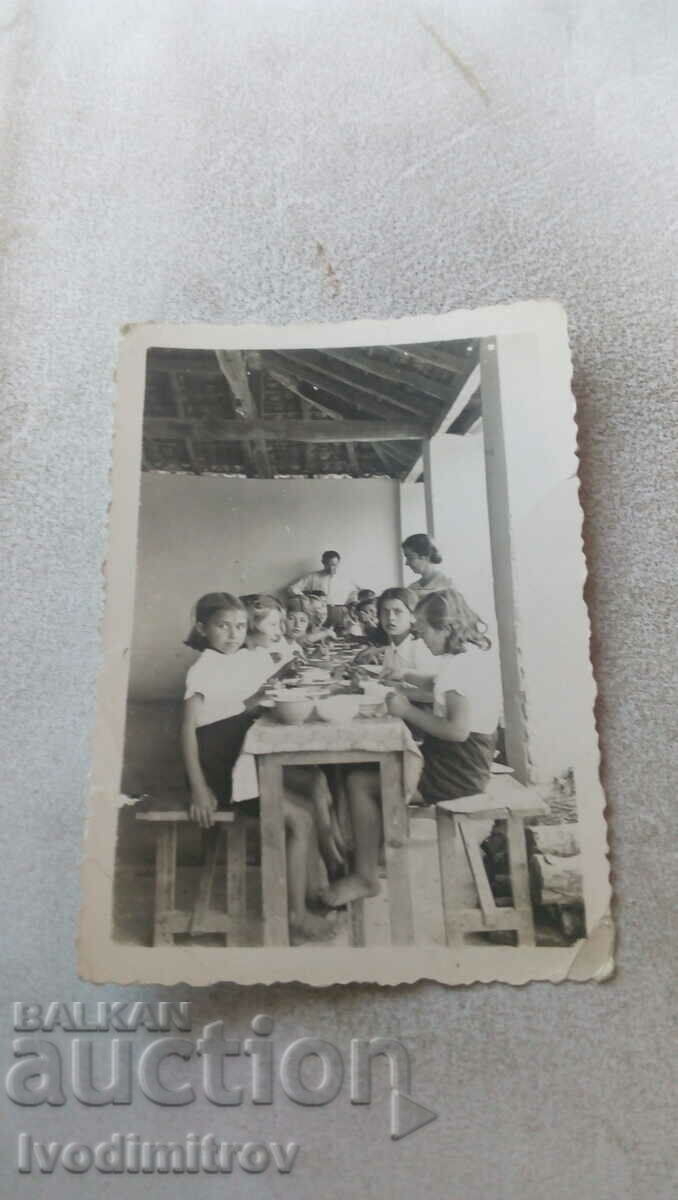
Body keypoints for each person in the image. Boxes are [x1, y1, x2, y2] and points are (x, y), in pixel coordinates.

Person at [323, 588, 501, 907]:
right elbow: (435, 683)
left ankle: (366, 875)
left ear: (445, 628)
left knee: (359, 781)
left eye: (423, 629)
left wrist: (406, 711)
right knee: (376, 763)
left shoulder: (460, 672)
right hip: (462, 760)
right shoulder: (466, 659)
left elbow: (457, 731)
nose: (421, 636)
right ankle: (373, 854)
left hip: (457, 770)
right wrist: (403, 674)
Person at [181, 592, 334, 942]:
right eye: (223, 626)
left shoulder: (231, 660)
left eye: (239, 626)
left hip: (240, 764)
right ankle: (294, 916)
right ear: (202, 628)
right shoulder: (203, 668)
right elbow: (187, 731)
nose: (233, 633)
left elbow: (239, 703)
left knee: (312, 781)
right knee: (299, 818)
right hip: (220, 775)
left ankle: (313, 889)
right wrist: (199, 788)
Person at [376, 587, 437, 681]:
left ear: (413, 616)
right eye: (385, 612)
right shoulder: (391, 647)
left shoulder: (421, 648)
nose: (390, 617)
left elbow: (432, 689)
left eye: (398, 612)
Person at [288, 550, 360, 626]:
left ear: (339, 563)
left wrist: (351, 606)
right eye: (328, 565)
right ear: (323, 563)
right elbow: (292, 588)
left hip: (340, 611)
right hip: (318, 612)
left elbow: (354, 593)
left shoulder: (346, 578)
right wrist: (306, 599)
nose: (332, 568)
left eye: (334, 565)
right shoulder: (313, 576)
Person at [245, 594, 294, 664]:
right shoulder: (239, 660)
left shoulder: (261, 654)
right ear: (251, 623)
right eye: (273, 625)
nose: (278, 632)